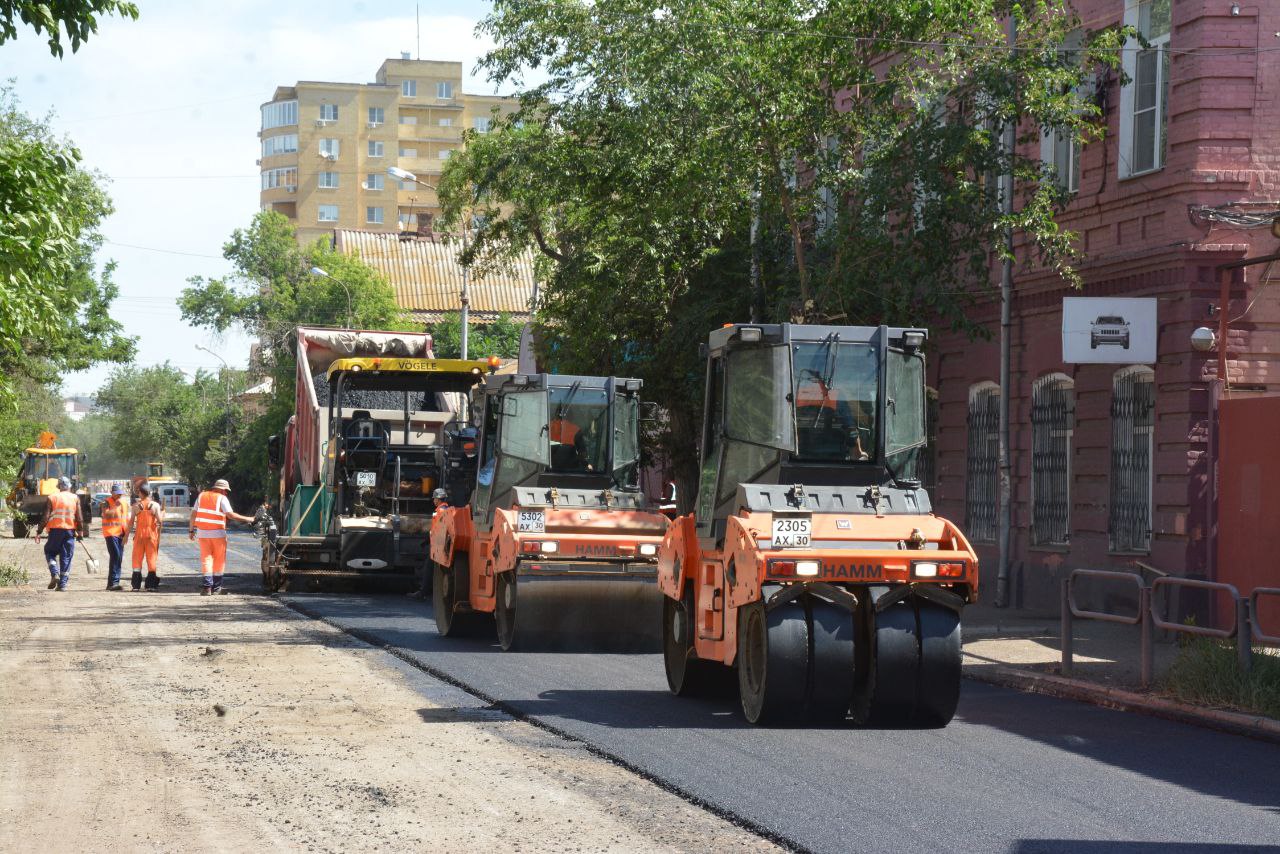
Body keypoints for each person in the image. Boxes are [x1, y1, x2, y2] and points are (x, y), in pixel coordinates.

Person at [188, 479, 254, 595]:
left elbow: (193, 514)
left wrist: (191, 530)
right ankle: (216, 588)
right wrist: (249, 519)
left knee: (206, 559)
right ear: (222, 489)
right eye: (226, 491)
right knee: (219, 560)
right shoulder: (222, 498)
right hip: (218, 534)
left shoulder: (201, 496)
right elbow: (230, 515)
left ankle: (207, 587)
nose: (226, 493)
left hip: (202, 533)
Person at [34, 477, 83, 591]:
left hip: (55, 531)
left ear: (59, 487)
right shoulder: (75, 498)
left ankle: (54, 573)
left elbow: (45, 517)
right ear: (69, 486)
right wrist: (80, 533)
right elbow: (79, 518)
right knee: (66, 557)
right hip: (70, 531)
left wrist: (39, 531)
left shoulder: (52, 497)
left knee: (50, 552)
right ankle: (62, 585)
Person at [409, 488, 451, 600]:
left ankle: (423, 593)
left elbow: (437, 529)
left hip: (438, 545)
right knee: (434, 568)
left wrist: (428, 540)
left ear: (438, 499)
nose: (433, 500)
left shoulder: (440, 511)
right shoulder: (446, 509)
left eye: (434, 498)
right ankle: (427, 592)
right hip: (441, 544)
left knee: (428, 568)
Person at [128, 483, 163, 591]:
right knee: (151, 559)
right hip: (151, 536)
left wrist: (126, 536)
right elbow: (160, 521)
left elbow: (131, 522)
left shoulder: (136, 506)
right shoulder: (155, 506)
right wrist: (158, 531)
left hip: (139, 536)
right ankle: (151, 585)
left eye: (138, 492)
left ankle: (136, 585)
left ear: (141, 493)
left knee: (137, 559)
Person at [100, 483, 130, 591]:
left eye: (120, 494)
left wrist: (127, 534)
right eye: (117, 494)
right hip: (111, 533)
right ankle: (112, 583)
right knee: (115, 556)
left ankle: (114, 583)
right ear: (111, 493)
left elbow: (126, 519)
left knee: (119, 558)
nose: (119, 496)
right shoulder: (106, 503)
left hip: (121, 533)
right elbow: (106, 515)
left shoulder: (124, 503)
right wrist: (115, 506)